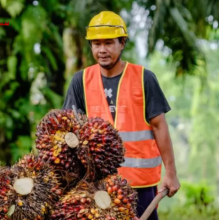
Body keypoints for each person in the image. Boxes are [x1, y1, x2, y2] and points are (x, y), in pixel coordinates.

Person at [62, 11, 180, 219]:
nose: (102, 50)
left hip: (140, 186)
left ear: (122, 43)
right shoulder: (81, 81)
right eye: (97, 44)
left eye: (109, 43)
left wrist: (171, 173)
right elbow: (68, 134)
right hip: (96, 187)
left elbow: (160, 126)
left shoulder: (144, 78)